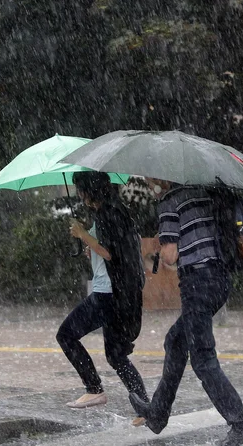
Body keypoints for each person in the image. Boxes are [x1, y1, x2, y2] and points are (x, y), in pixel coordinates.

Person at [129, 178, 243, 446]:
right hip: (219, 280)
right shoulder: (204, 192)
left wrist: (159, 246)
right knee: (176, 341)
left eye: (151, 178)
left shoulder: (169, 201)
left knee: (202, 357)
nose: (149, 182)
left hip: (197, 282)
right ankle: (157, 413)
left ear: (161, 176)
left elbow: (170, 255)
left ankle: (241, 423)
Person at [55, 171, 148, 423]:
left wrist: (83, 234)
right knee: (116, 355)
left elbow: (110, 253)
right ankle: (144, 409)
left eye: (81, 189)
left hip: (108, 292)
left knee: (65, 335)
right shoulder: (114, 211)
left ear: (90, 190)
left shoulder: (109, 213)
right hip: (118, 293)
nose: (80, 195)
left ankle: (94, 389)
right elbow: (110, 249)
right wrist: (91, 247)